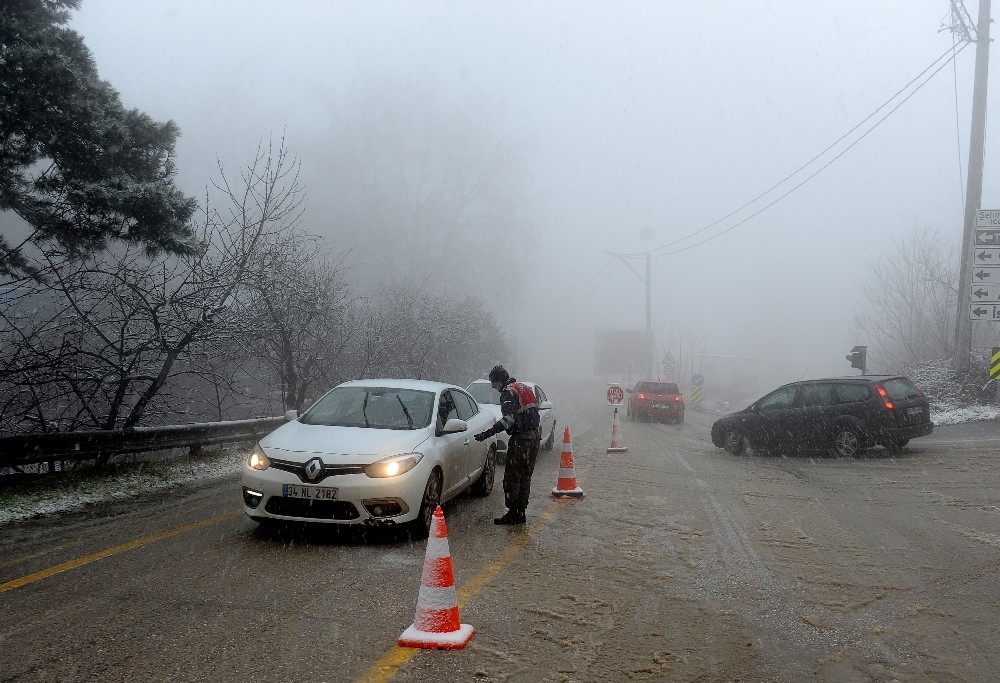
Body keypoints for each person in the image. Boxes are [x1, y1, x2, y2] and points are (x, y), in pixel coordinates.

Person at [473, 365, 541, 525]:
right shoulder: (523, 388)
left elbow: (508, 420)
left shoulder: (508, 393)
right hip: (534, 437)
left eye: (493, 382)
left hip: (521, 439)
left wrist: (488, 433)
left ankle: (512, 513)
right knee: (525, 476)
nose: (492, 386)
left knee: (512, 476)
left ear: (499, 380)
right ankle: (521, 512)